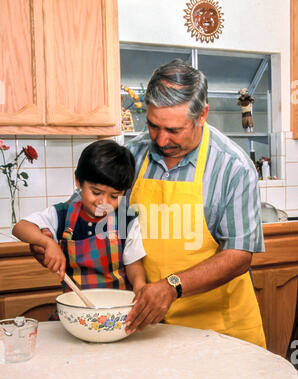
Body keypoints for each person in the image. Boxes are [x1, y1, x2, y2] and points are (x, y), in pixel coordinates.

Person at [123, 59, 266, 348]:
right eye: (153, 125)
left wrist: (171, 287)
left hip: (223, 332)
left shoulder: (232, 166)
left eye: (174, 130)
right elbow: (97, 212)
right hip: (151, 329)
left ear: (202, 115)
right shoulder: (132, 154)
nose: (161, 140)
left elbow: (239, 255)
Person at [13, 140, 146, 318]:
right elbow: (20, 227)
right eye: (96, 192)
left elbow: (134, 264)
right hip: (74, 312)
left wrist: (140, 288)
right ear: (78, 181)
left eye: (114, 196)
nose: (104, 203)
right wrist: (47, 242)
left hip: (116, 313)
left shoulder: (127, 220)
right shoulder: (61, 214)